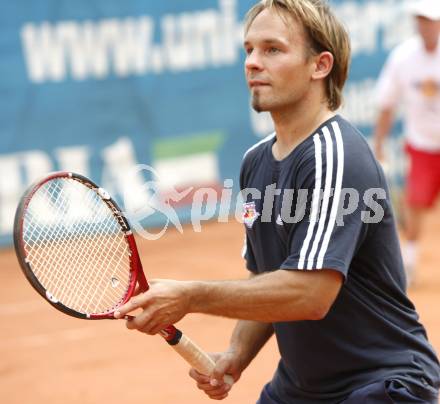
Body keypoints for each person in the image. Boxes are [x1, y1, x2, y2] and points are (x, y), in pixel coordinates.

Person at [115, 0, 440, 402]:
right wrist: (236, 354)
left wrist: (192, 295)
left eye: (272, 49)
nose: (252, 62)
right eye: (249, 49)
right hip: (300, 388)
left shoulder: (335, 156)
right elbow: (268, 276)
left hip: (381, 384)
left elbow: (310, 293)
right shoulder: (255, 161)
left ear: (320, 65)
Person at [373, 0, 440, 283]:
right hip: (422, 144)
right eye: (421, 20)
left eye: (431, 20)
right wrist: (379, 144)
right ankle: (408, 265)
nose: (426, 26)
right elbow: (386, 103)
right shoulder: (402, 57)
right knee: (415, 206)